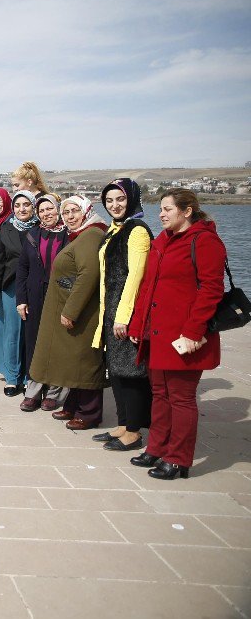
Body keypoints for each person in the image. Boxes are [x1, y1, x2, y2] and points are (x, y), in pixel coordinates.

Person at [127, 189, 226, 480]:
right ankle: (156, 448)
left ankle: (179, 459)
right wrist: (137, 326)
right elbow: (148, 286)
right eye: (161, 209)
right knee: (159, 393)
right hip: (156, 332)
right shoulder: (162, 240)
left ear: (187, 210)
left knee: (181, 398)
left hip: (185, 336)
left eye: (168, 209)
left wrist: (194, 332)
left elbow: (212, 289)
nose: (162, 214)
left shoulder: (205, 241)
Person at [32, 196, 109, 431]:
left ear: (86, 211)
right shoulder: (81, 235)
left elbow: (88, 275)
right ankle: (74, 405)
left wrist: (71, 310)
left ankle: (89, 413)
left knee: (83, 361)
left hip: (81, 312)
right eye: (66, 213)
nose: (70, 216)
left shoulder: (92, 235)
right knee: (71, 360)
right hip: (68, 307)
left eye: (74, 211)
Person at [92, 179, 153, 451]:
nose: (115, 205)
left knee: (130, 372)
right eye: (109, 201)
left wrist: (124, 316)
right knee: (115, 370)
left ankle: (134, 431)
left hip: (124, 313)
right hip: (111, 310)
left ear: (132, 200)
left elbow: (136, 276)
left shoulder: (137, 230)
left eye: (120, 200)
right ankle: (122, 423)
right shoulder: (115, 229)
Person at [15, 194, 68, 411]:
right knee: (35, 344)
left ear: (58, 210)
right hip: (35, 296)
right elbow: (22, 269)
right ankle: (33, 392)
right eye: (42, 210)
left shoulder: (69, 235)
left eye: (50, 209)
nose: (46, 214)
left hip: (60, 297)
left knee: (57, 345)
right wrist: (21, 300)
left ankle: (54, 393)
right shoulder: (33, 235)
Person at [0, 191, 37, 396]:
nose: (22, 209)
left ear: (33, 207)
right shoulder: (6, 229)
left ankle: (28, 377)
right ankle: (11, 377)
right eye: (17, 205)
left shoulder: (40, 228)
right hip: (10, 287)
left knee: (30, 332)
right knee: (12, 333)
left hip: (33, 288)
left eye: (26, 205)